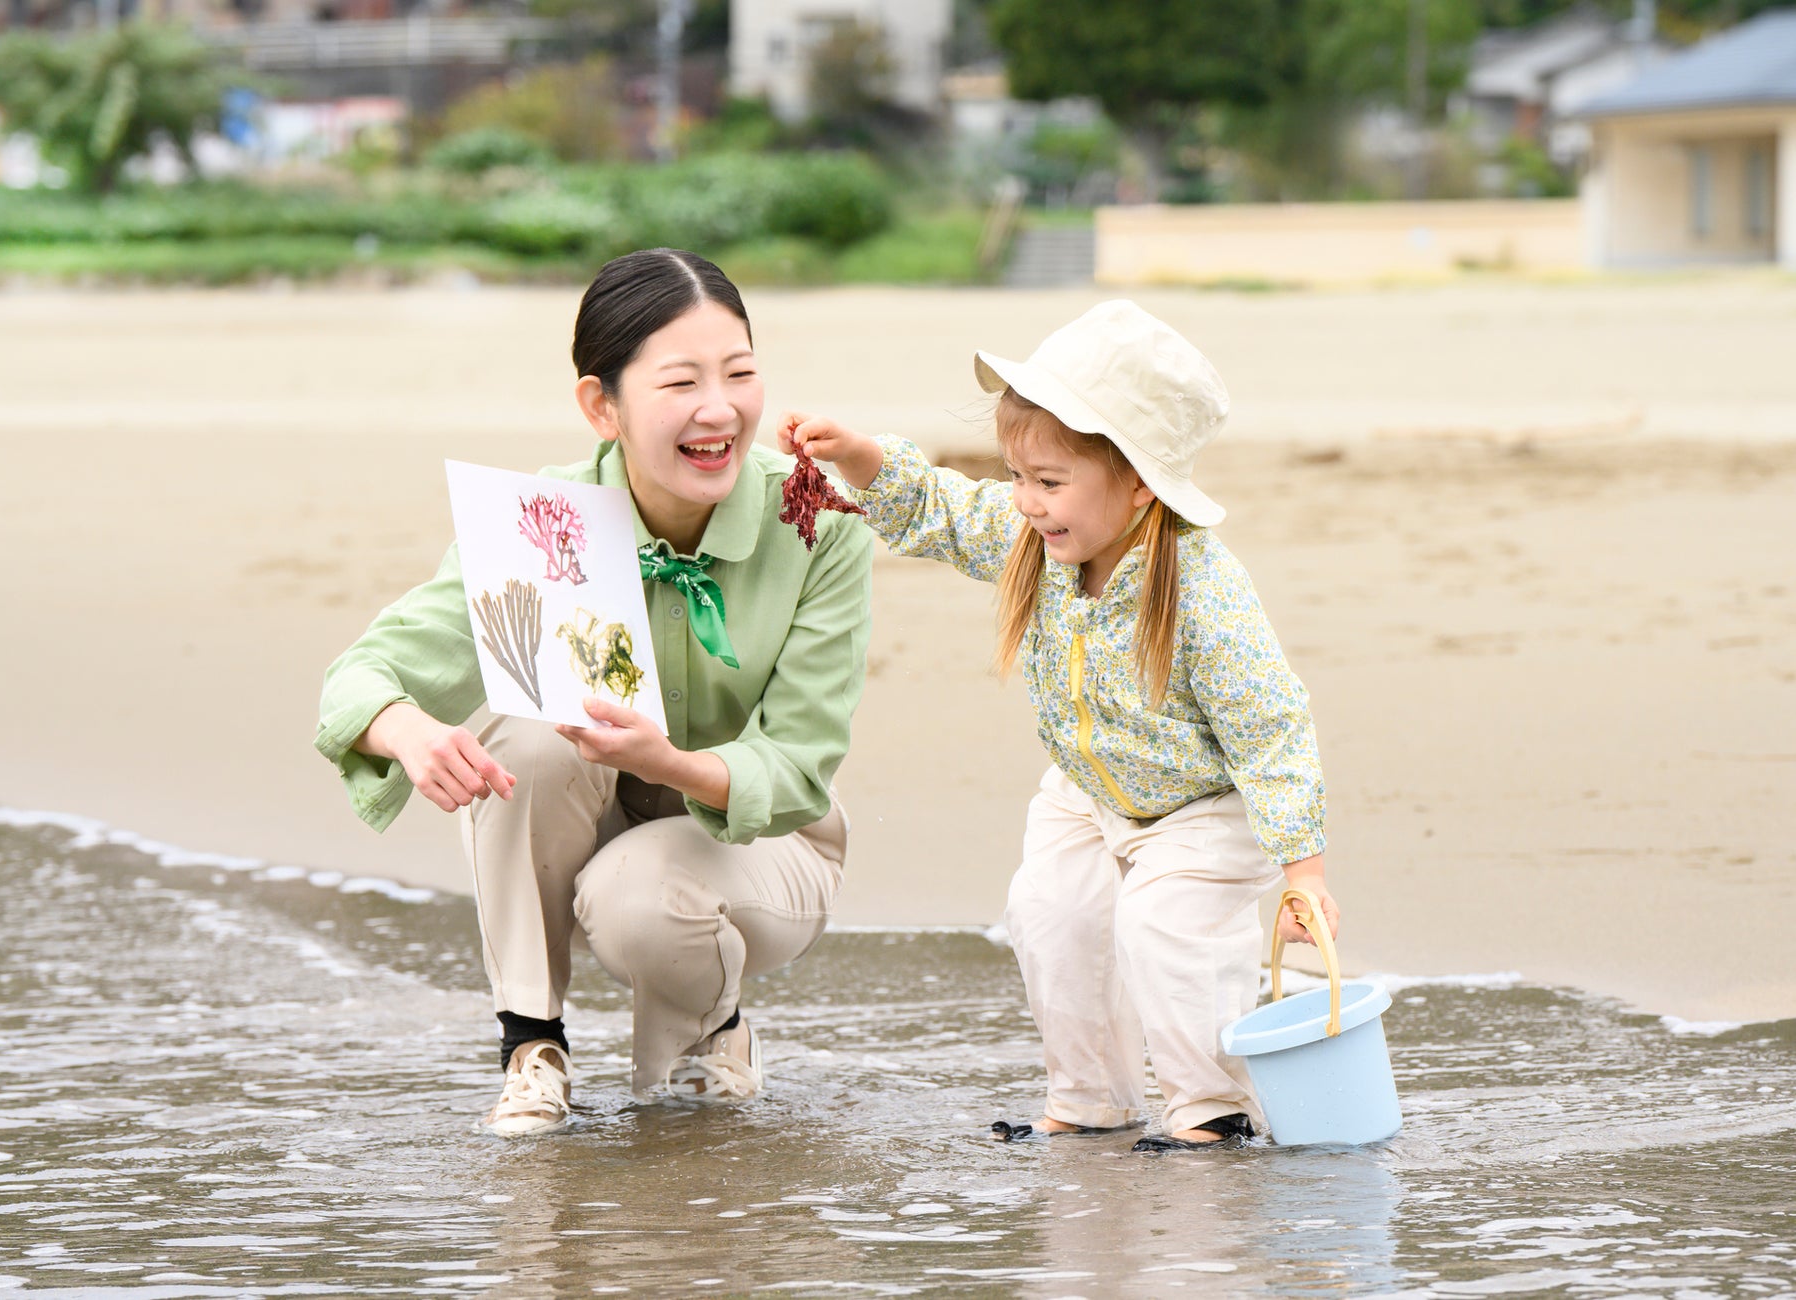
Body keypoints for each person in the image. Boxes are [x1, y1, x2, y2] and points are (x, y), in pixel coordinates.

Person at [316, 249, 873, 1137]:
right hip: (582, 828)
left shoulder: (814, 519)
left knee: (639, 892)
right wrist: (407, 729)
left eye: (740, 373)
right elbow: (362, 673)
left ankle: (712, 1032)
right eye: (680, 382)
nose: (719, 409)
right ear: (600, 405)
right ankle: (532, 1045)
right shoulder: (545, 519)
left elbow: (800, 766)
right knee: (522, 730)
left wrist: (673, 762)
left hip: (767, 851)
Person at [778, 300, 1336, 1152]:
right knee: (1050, 914)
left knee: (1165, 928)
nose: (1027, 502)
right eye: (1018, 476)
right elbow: (946, 511)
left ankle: (1211, 1109)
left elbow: (1271, 730)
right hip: (1086, 793)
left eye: (1049, 481)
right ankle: (1089, 1100)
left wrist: (1306, 872)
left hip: (1204, 806)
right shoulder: (1037, 541)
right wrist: (858, 456)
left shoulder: (1202, 591)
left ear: (1140, 481)